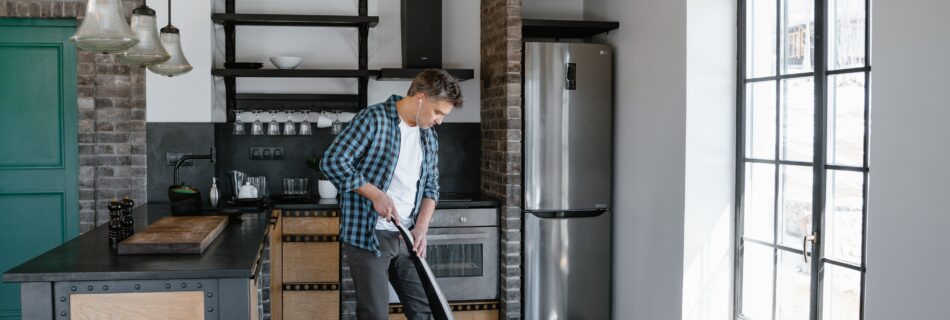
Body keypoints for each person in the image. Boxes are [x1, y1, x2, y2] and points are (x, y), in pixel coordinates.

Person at [320, 69, 463, 320]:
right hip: (369, 235)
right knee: (374, 313)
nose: (440, 120)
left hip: (407, 236)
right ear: (420, 99)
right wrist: (376, 195)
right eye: (438, 112)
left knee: (425, 311)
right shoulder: (373, 119)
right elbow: (333, 161)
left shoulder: (428, 136)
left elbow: (431, 187)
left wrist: (421, 228)